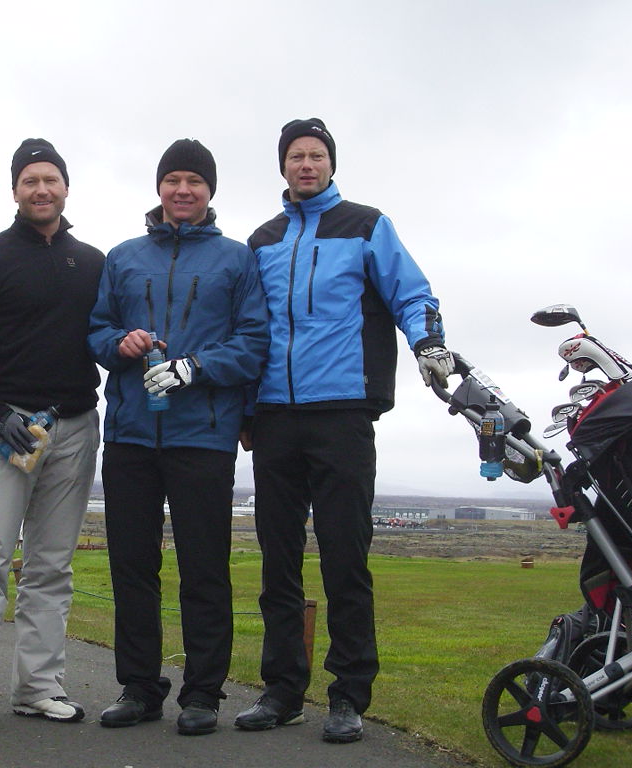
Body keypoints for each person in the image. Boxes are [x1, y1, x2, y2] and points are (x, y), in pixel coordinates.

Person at [234, 118, 454, 743]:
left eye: (317, 155)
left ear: (331, 164)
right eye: (296, 156)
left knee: (345, 559)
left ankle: (349, 695)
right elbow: (249, 328)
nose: (306, 165)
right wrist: (247, 411)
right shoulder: (262, 240)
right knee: (278, 562)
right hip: (275, 417)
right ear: (282, 166)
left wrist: (429, 342)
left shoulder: (366, 226)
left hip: (343, 413)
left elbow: (412, 294)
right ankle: (282, 691)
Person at [88, 139, 269, 736]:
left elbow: (253, 344)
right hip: (131, 435)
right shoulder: (123, 257)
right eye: (173, 180)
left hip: (204, 435)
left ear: (210, 191)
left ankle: (203, 693)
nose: (183, 190)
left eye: (194, 180)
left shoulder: (236, 259)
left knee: (204, 569)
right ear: (159, 187)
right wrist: (120, 344)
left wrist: (195, 367)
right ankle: (140, 688)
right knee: (132, 567)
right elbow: (96, 331)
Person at [0, 139, 104, 734]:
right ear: (14, 190)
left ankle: (39, 687)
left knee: (51, 567)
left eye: (50, 179)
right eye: (30, 180)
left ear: (66, 188)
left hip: (74, 429)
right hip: (3, 432)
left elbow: (108, 335)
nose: (41, 189)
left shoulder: (93, 263)